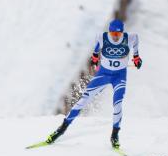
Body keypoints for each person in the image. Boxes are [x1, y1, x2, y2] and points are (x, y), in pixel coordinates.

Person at [46, 19, 142, 148]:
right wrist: (94, 58)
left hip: (119, 76)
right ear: (109, 31)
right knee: (83, 100)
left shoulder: (130, 38)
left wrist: (136, 57)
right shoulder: (102, 37)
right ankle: (62, 128)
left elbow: (136, 44)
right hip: (103, 75)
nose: (114, 37)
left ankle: (114, 135)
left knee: (117, 103)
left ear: (122, 33)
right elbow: (96, 51)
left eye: (117, 35)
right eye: (112, 33)